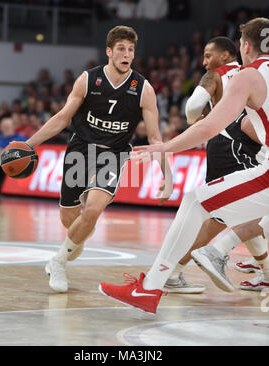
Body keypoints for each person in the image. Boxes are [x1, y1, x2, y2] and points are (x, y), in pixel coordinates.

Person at [98, 17, 269, 313]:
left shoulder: (248, 75)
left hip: (249, 160)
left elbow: (208, 126)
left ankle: (151, 287)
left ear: (244, 46)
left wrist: (166, 147)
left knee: (194, 202)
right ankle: (222, 256)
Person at [23, 25, 172, 293]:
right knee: (71, 222)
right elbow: (61, 119)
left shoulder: (143, 89)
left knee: (92, 210)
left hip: (114, 154)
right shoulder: (88, 80)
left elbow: (155, 139)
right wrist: (28, 144)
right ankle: (73, 242)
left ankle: (57, 262)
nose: (126, 54)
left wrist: (167, 176)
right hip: (80, 148)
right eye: (121, 49)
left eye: (130, 50)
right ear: (109, 52)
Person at [163, 36, 268, 294]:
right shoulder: (253, 73)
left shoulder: (217, 74)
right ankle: (173, 271)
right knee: (226, 216)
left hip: (227, 143)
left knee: (239, 213)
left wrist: (198, 121)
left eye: (209, 55)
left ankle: (265, 272)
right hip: (237, 145)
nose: (204, 61)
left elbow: (192, 107)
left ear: (225, 55)